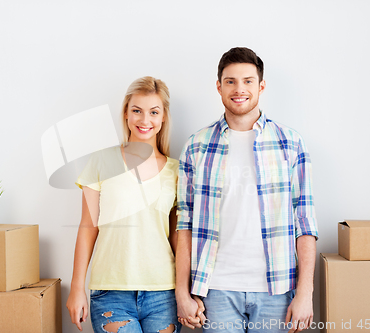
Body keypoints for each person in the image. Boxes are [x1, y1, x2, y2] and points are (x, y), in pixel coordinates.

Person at [175, 47, 319, 333]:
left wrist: (305, 293)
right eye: (230, 81)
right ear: (218, 86)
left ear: (261, 86)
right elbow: (184, 224)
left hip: (276, 290)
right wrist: (182, 292)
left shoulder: (290, 143)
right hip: (214, 290)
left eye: (248, 81)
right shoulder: (196, 145)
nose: (239, 89)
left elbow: (305, 223)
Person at [67, 76, 183, 333]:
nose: (145, 120)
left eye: (154, 112)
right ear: (126, 114)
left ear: (163, 117)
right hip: (111, 293)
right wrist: (77, 288)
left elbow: (178, 239)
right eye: (137, 111)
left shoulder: (177, 171)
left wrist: (187, 292)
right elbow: (88, 226)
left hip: (163, 293)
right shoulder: (101, 161)